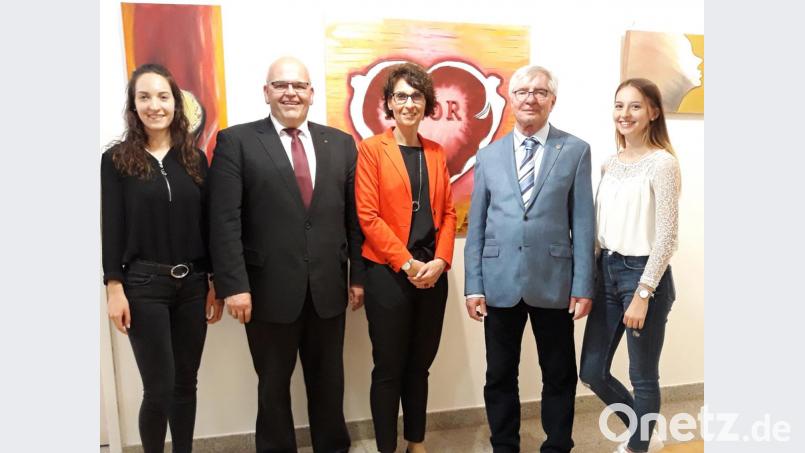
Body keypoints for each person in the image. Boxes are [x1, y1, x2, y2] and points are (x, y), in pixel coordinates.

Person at [207, 56, 366, 453]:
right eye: (281, 85)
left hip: (328, 288)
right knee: (273, 387)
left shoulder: (341, 144)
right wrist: (234, 286)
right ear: (266, 93)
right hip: (266, 292)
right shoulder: (236, 141)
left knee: (329, 383)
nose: (290, 92)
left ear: (311, 93)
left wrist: (358, 277)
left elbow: (354, 219)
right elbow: (224, 220)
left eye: (298, 85)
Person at [464, 64, 595, 453]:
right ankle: (504, 445)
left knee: (558, 373)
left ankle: (557, 445)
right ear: (510, 98)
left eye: (540, 92)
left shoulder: (575, 150)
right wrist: (474, 285)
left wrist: (583, 285)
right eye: (522, 91)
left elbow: (583, 223)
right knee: (500, 374)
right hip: (498, 281)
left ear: (552, 100)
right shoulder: (488, 156)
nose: (530, 99)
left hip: (554, 281)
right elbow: (477, 226)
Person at [102, 63, 224, 453]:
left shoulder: (195, 159)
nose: (155, 105)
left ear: (176, 103)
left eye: (162, 96)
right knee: (158, 388)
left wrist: (212, 282)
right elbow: (113, 228)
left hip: (191, 286)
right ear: (133, 105)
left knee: (186, 384)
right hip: (143, 287)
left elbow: (207, 227)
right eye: (144, 97)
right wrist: (113, 287)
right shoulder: (117, 161)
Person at [354, 62, 457, 453]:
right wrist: (408, 263)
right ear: (389, 103)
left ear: (426, 102)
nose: (409, 103)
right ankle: (386, 447)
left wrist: (441, 261)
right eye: (401, 96)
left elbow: (447, 213)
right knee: (389, 369)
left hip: (433, 274)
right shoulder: (371, 149)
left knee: (420, 365)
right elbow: (368, 215)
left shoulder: (435, 152)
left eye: (416, 96)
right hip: (388, 274)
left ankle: (416, 442)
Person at [579, 78, 681, 453]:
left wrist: (643, 292)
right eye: (619, 105)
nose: (625, 114)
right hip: (606, 271)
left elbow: (667, 236)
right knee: (591, 372)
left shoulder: (663, 163)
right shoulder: (609, 163)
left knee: (642, 377)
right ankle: (644, 434)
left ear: (653, 112)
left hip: (643, 276)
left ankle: (638, 446)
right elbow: (599, 228)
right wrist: (587, 279)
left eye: (635, 106)